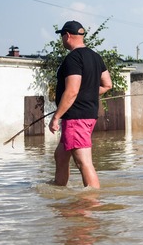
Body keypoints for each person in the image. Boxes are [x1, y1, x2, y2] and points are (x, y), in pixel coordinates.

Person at [48, 20, 112, 188]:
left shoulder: (73, 59)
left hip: (76, 117)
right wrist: (88, 93)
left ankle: (92, 200)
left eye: (62, 36)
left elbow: (72, 91)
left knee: (83, 161)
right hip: (87, 115)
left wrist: (56, 117)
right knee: (61, 155)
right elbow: (107, 84)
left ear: (67, 35)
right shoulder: (96, 57)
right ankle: (58, 187)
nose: (62, 40)